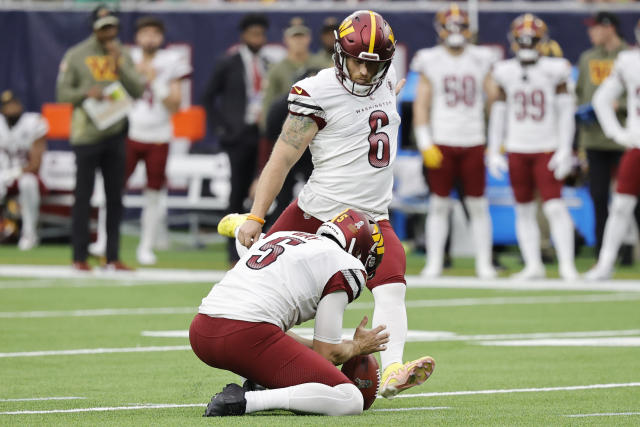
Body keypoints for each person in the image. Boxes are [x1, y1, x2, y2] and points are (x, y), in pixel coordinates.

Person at [224, 10, 435, 399]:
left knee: (392, 288)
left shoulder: (384, 79)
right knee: (265, 287)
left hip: (371, 217)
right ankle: (262, 366)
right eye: (357, 61)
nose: (364, 73)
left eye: (374, 65)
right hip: (317, 212)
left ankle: (392, 370)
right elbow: (283, 157)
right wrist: (256, 214)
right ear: (339, 54)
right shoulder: (317, 90)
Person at [191, 209, 388, 417]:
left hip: (201, 332)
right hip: (244, 336)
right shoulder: (349, 266)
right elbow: (327, 353)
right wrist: (357, 346)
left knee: (269, 325)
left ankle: (255, 383)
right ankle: (246, 401)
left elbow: (274, 334)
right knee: (350, 399)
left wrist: (238, 225)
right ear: (360, 250)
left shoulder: (280, 236)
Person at [89, 16, 192, 265]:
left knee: (154, 193)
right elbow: (110, 94)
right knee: (112, 188)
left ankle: (146, 246)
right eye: (145, 33)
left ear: (162, 37)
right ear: (137, 37)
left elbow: (175, 105)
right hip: (128, 132)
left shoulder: (171, 61)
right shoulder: (126, 57)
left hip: (158, 135)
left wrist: (154, 80)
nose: (150, 38)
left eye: (155, 33)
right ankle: (103, 239)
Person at [487, 14, 579, 281]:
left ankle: (567, 266)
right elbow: (499, 114)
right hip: (517, 147)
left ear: (542, 41)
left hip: (546, 147)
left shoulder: (556, 69)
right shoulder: (505, 71)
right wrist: (494, 150)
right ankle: (533, 265)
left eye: (532, 40)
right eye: (522, 40)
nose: (527, 44)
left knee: (554, 207)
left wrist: (565, 149)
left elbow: (566, 113)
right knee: (524, 209)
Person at [411, 4, 497, 279]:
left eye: (461, 26)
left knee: (478, 205)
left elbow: (493, 100)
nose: (456, 32)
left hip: (473, 139)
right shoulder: (430, 59)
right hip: (443, 139)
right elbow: (421, 104)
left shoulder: (481, 58)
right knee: (438, 204)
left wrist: (495, 140)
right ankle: (434, 262)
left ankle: (484, 263)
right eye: (452, 26)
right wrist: (425, 141)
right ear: (441, 30)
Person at [56, 5, 145, 272]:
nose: (109, 32)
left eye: (113, 27)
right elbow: (62, 93)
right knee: (83, 196)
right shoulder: (77, 54)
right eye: (104, 27)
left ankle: (112, 256)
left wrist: (120, 63)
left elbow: (138, 89)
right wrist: (86, 93)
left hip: (116, 132)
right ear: (94, 28)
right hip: (86, 134)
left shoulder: (122, 53)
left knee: (115, 197)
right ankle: (79, 256)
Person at [202, 13, 269, 264]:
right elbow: (208, 96)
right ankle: (233, 251)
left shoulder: (267, 64)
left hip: (261, 135)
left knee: (262, 190)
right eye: (254, 34)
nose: (258, 39)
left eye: (261, 34)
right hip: (238, 136)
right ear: (244, 36)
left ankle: (258, 247)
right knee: (237, 191)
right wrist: (223, 127)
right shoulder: (229, 62)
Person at [576, 11, 639, 262]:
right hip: (631, 143)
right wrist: (617, 133)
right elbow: (599, 99)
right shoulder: (629, 61)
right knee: (619, 203)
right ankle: (605, 262)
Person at [0, 90, 48, 250]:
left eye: (14, 105)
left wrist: (16, 173)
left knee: (28, 183)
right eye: (8, 106)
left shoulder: (33, 122)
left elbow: (35, 165)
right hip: (3, 174)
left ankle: (29, 234)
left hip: (27, 174)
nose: (12, 109)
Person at [261, 17, 325, 127]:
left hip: (318, 126)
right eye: (294, 37)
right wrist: (266, 128)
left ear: (309, 38)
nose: (298, 41)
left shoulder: (321, 65)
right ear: (286, 39)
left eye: (302, 36)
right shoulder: (277, 69)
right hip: (286, 127)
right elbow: (268, 102)